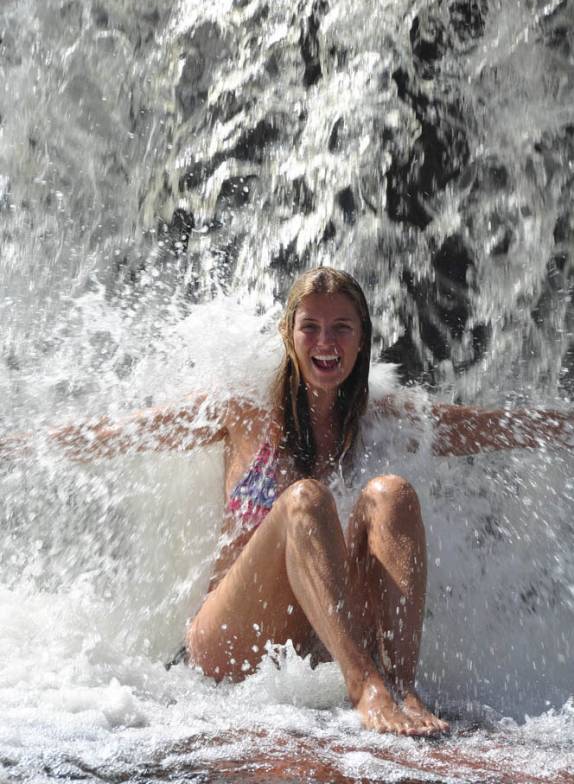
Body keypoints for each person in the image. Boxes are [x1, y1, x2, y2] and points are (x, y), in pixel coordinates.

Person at [1, 267, 572, 737]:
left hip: (316, 643)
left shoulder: (381, 421)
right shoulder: (241, 410)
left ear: (363, 338)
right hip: (231, 644)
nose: (326, 343)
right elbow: (123, 433)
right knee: (306, 501)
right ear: (288, 334)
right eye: (312, 327)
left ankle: (400, 685)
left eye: (342, 328)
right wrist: (19, 446)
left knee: (392, 495)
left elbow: (486, 428)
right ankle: (365, 687)